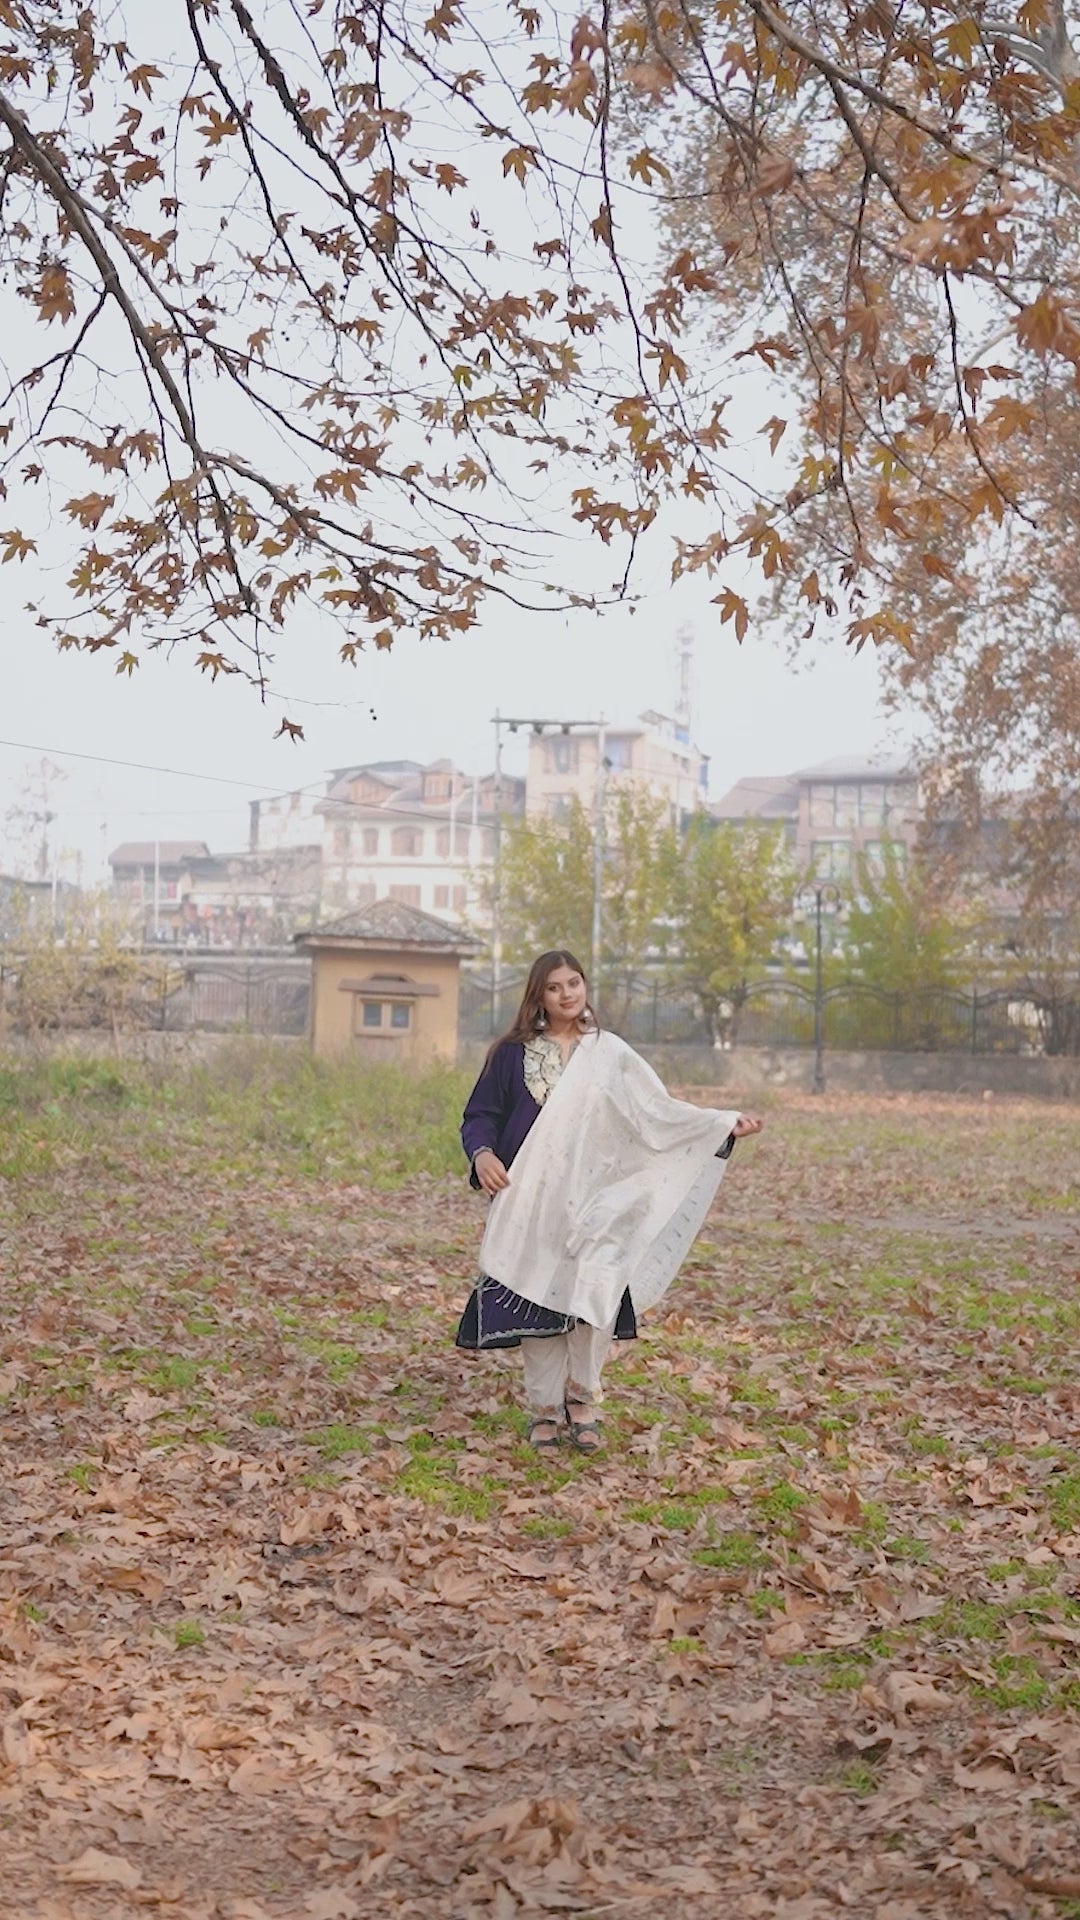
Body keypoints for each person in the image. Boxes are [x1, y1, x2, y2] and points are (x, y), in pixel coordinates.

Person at [456, 949, 763, 1453]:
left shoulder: (611, 1054)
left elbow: (656, 1113)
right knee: (536, 1296)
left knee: (592, 1295)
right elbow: (480, 1115)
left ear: (584, 986)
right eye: (554, 987)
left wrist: (720, 1124)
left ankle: (583, 1402)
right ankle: (544, 1409)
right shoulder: (512, 1054)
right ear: (538, 994)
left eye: (574, 982)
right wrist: (483, 1153)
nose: (567, 993)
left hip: (602, 1199)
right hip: (531, 1199)